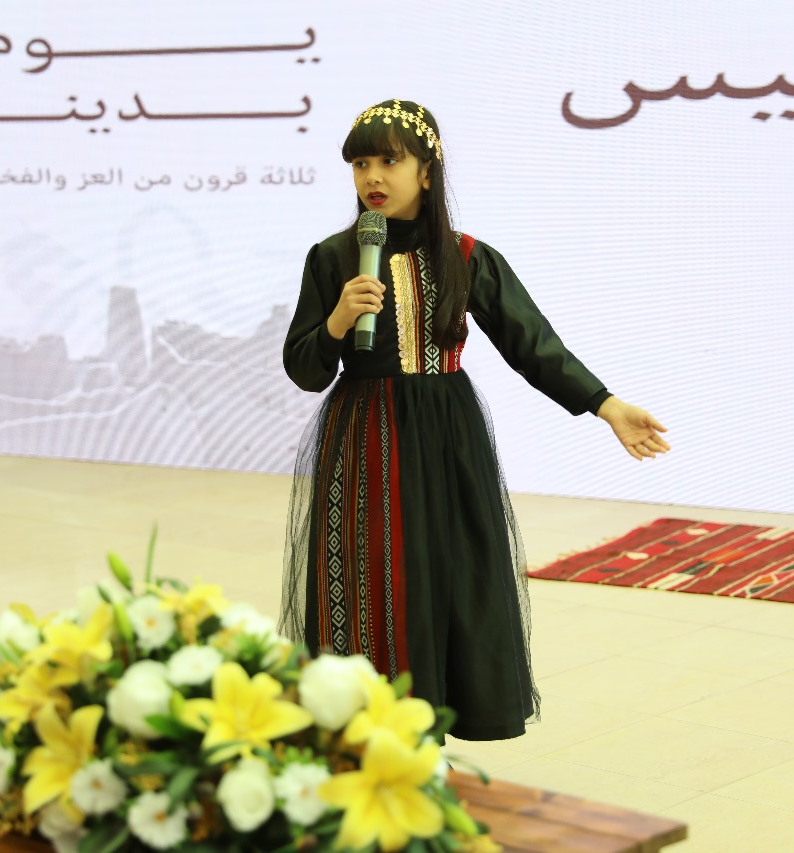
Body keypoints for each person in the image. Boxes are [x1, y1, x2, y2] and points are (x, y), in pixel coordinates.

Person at [278, 99, 669, 741]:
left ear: (427, 171)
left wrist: (605, 404)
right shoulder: (332, 258)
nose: (372, 176)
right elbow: (304, 368)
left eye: (389, 161)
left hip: (446, 438)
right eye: (360, 164)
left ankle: (429, 731)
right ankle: (367, 729)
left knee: (447, 574)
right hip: (364, 436)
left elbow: (532, 344)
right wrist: (339, 321)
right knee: (371, 577)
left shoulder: (466, 257)